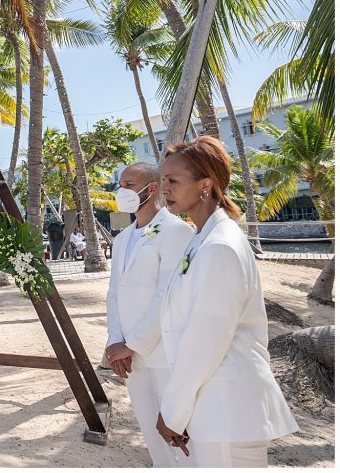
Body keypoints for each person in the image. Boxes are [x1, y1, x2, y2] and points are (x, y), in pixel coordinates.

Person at [117, 137, 298, 467]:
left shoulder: (220, 247)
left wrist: (171, 412)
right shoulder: (201, 238)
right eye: (164, 180)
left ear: (206, 185)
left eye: (173, 181)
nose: (165, 188)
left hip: (228, 409)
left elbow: (205, 342)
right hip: (211, 407)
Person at [103, 162, 194, 467]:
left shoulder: (176, 231)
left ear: (151, 188)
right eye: (121, 184)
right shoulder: (122, 239)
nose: (122, 190)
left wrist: (134, 343)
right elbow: (115, 293)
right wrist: (116, 343)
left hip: (164, 353)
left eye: (129, 185)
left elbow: (166, 295)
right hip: (130, 357)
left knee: (178, 431)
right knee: (150, 432)